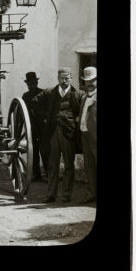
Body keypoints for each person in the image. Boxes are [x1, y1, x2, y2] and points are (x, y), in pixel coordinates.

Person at [44, 67, 84, 203]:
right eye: (62, 78)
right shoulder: (50, 93)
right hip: (53, 133)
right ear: (58, 78)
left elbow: (81, 112)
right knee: (52, 165)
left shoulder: (78, 94)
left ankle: (66, 195)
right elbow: (37, 103)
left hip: (69, 134)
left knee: (68, 165)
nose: (64, 81)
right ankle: (51, 194)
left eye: (67, 78)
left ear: (71, 78)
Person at [22, 71, 48, 181]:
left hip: (43, 127)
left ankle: (48, 174)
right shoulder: (25, 96)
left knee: (45, 151)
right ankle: (36, 174)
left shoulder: (43, 93)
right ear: (27, 84)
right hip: (31, 128)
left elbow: (48, 109)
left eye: (33, 83)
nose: (32, 85)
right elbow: (22, 111)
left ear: (36, 82)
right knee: (33, 151)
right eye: (29, 84)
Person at [79, 66, 97, 203]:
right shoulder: (84, 97)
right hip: (85, 136)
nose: (90, 84)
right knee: (89, 166)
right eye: (87, 81)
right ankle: (92, 193)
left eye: (93, 81)